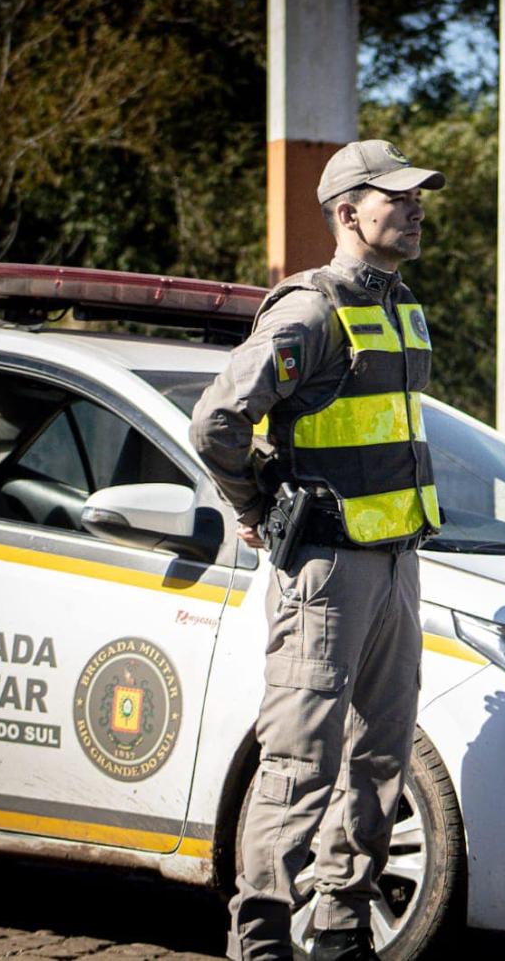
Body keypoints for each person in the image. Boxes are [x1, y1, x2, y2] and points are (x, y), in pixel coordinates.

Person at [189, 139, 445, 961]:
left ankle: (340, 931)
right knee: (300, 763)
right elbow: (216, 423)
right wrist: (254, 503)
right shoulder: (309, 309)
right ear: (347, 213)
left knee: (380, 756)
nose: (413, 209)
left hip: (397, 563)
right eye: (396, 198)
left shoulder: (401, 305)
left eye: (416, 198)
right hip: (327, 575)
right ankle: (260, 944)